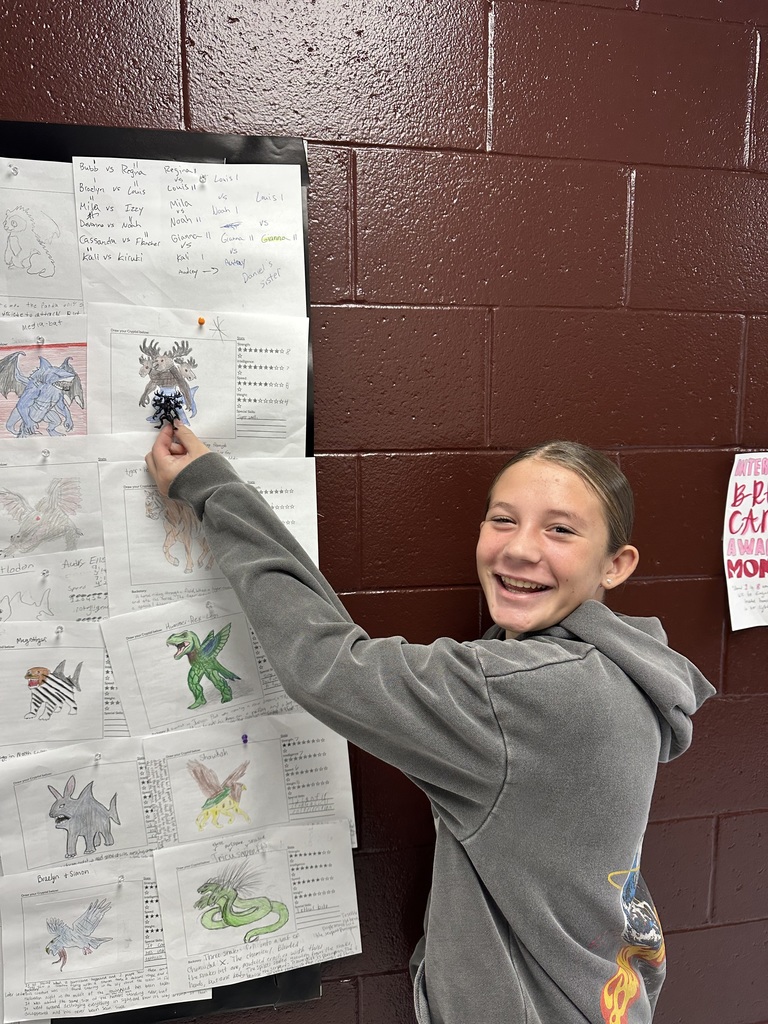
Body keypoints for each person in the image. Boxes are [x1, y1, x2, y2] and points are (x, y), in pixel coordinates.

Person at [146, 423, 715, 1024]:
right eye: (503, 519)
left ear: (616, 565)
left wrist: (211, 489)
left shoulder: (528, 696)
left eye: (561, 529)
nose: (520, 548)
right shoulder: (624, 671)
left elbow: (325, 664)